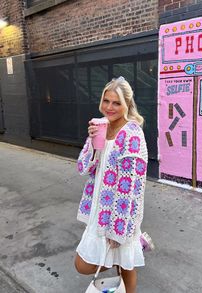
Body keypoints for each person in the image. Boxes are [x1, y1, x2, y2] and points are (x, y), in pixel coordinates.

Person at [74, 76, 148, 293]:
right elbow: (83, 168)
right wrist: (93, 145)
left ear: (127, 104)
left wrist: (119, 230)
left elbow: (131, 188)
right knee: (122, 262)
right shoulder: (100, 126)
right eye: (106, 101)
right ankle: (135, 245)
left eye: (116, 102)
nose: (109, 107)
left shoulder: (132, 134)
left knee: (110, 263)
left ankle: (133, 243)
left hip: (118, 216)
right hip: (99, 210)